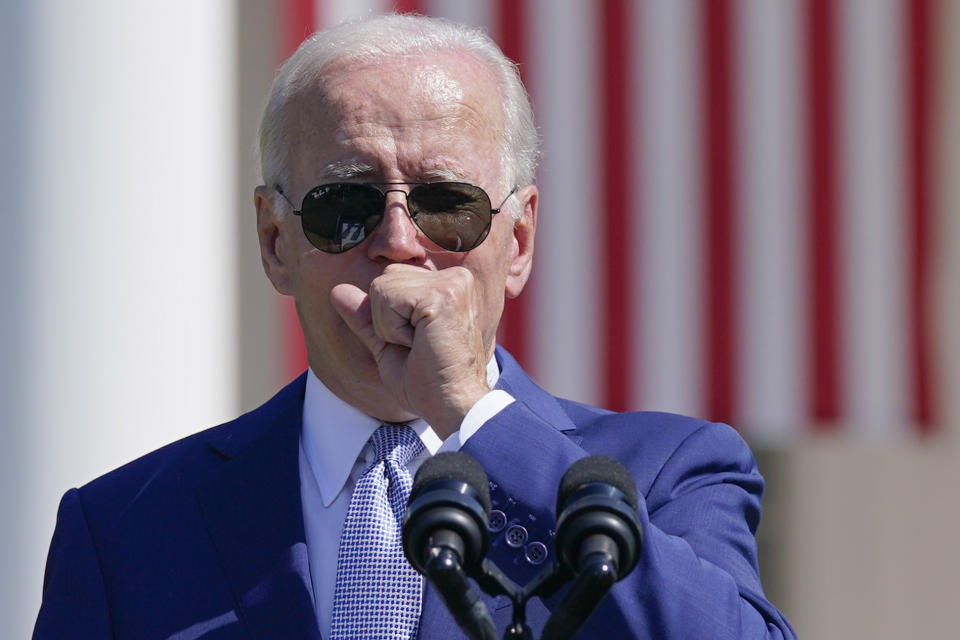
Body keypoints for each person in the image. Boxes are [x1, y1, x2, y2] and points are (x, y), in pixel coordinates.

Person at [34, 13, 796, 640]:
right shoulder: (125, 529)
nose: (399, 241)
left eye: (447, 204)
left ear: (519, 241)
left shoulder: (666, 475)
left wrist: (472, 415)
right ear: (275, 240)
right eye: (345, 207)